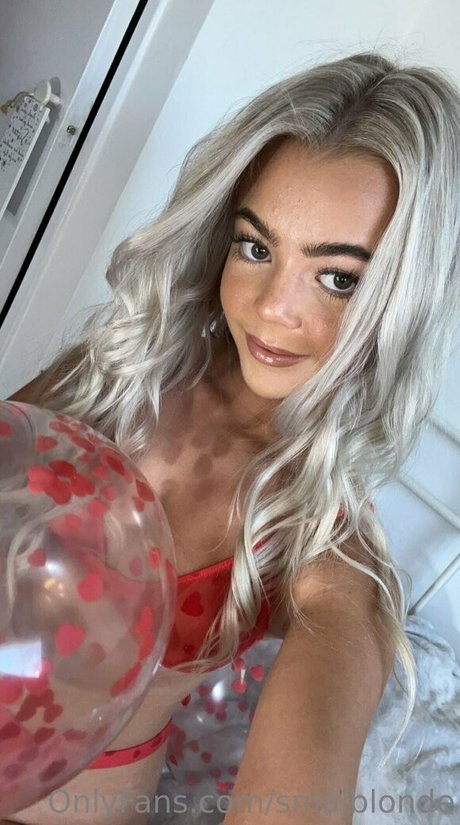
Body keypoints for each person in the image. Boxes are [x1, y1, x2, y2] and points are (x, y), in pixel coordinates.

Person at [3, 49, 460, 825]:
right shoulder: (118, 374)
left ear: (403, 302)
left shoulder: (331, 555)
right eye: (257, 247)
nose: (273, 307)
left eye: (339, 277)